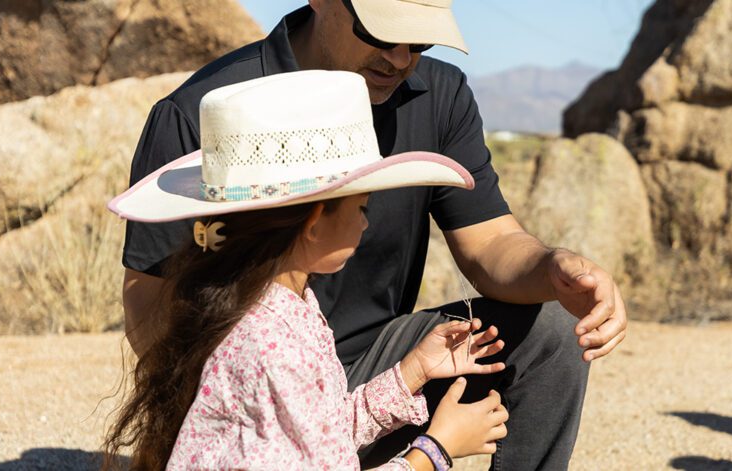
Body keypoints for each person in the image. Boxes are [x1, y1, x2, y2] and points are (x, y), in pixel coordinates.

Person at [122, 0, 628, 468]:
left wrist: (555, 269)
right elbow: (151, 311)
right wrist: (224, 408)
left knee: (552, 331)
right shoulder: (204, 111)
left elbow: (490, 241)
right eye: (383, 33)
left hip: (356, 381)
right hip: (243, 399)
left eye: (420, 41)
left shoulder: (438, 94)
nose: (402, 57)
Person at [103, 71, 510, 470]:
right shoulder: (272, 346)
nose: (367, 223)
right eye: (361, 208)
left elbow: (322, 434)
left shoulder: (277, 307)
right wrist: (436, 449)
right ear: (314, 224)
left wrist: (414, 370)